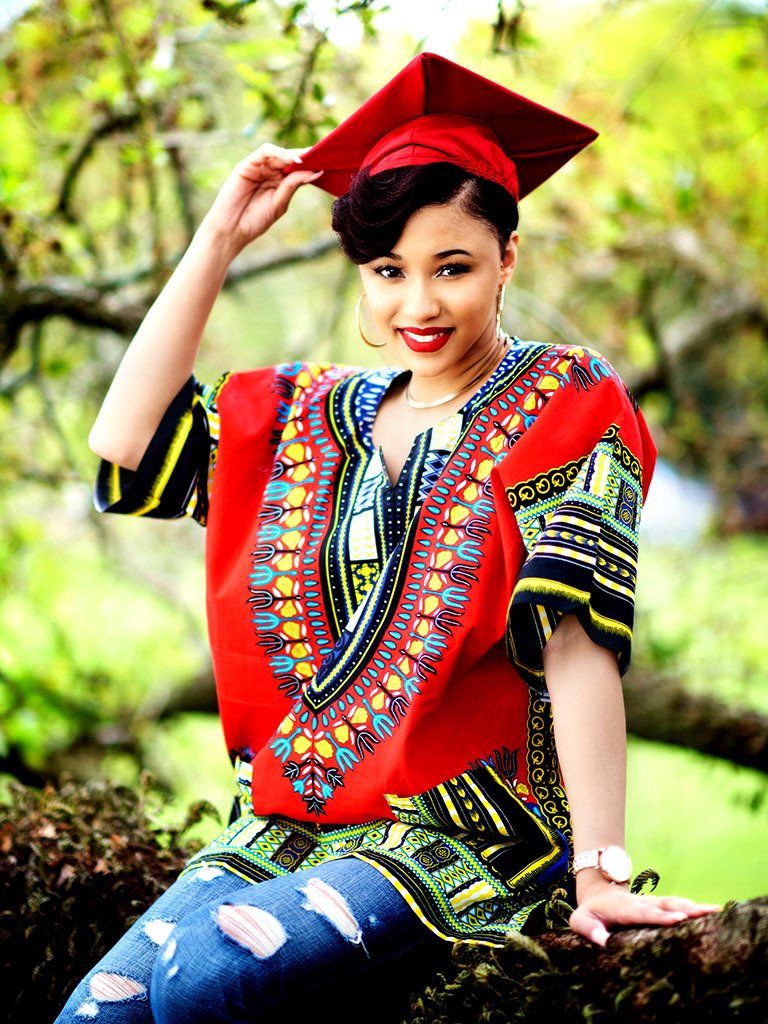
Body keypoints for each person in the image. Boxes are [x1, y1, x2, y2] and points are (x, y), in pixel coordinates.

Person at [54, 51, 722, 1024]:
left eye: (452, 266)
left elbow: (579, 642)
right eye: (387, 270)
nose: (418, 304)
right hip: (283, 833)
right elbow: (123, 441)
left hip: (466, 834)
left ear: (509, 257)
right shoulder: (297, 413)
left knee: (204, 978)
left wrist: (600, 869)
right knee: (101, 1010)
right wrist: (217, 241)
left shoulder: (567, 401)